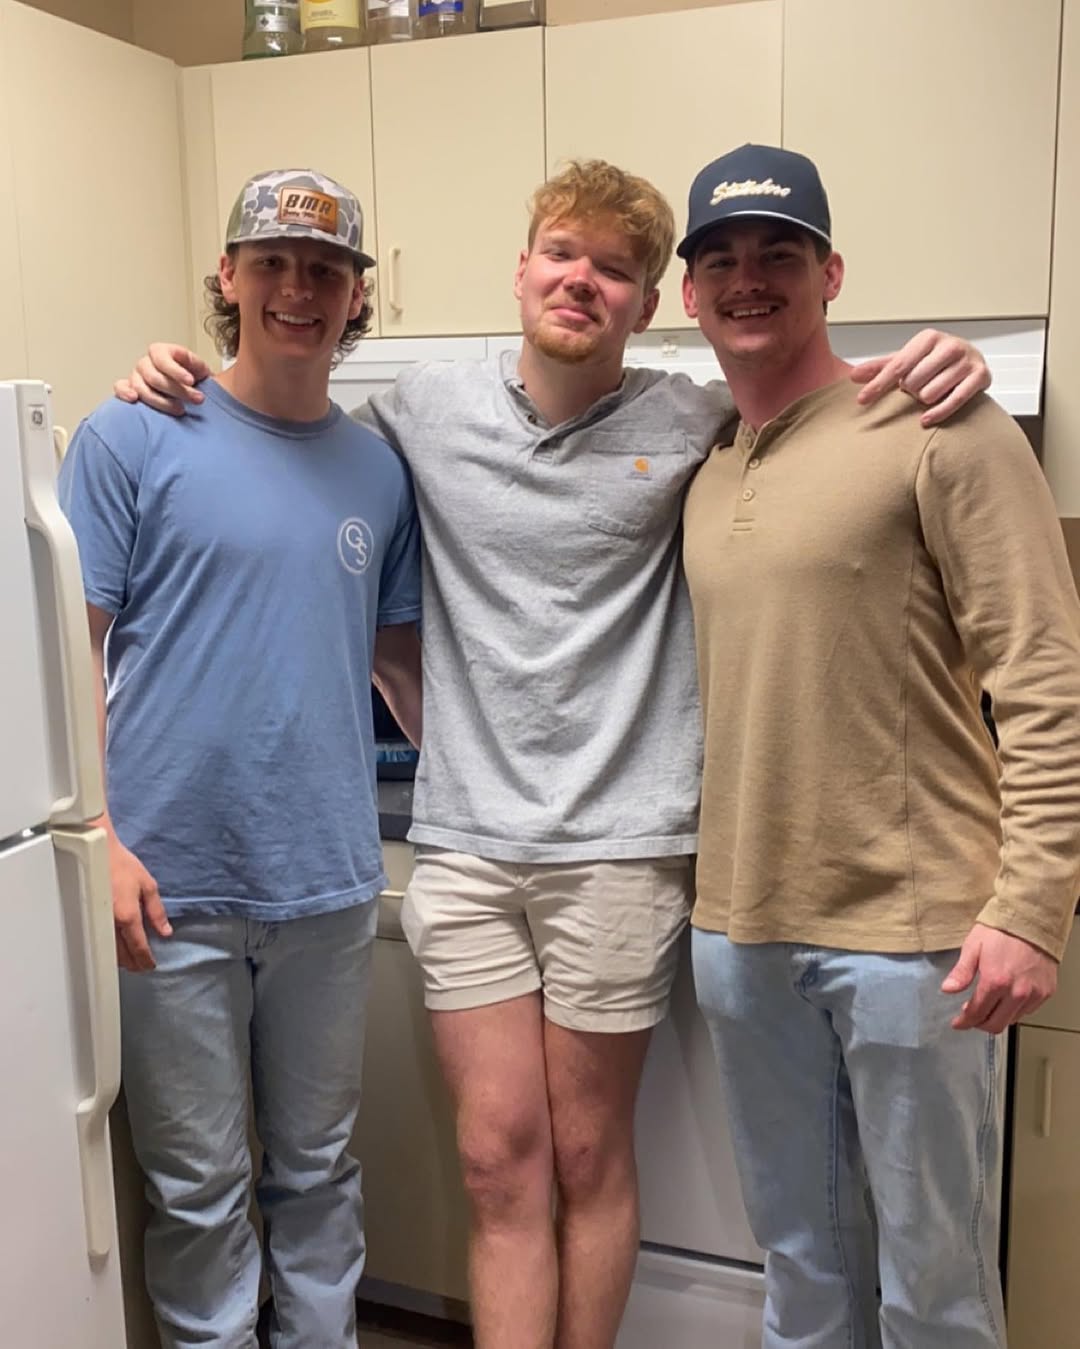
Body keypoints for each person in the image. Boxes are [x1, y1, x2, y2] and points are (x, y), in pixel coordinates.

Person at [113, 159, 989, 1349]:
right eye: (563, 254)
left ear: (653, 302)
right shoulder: (416, 415)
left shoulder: (697, 418)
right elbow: (280, 435)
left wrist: (947, 362)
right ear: (521, 269)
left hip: (623, 849)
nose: (582, 280)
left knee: (587, 1155)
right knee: (496, 1160)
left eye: (615, 269)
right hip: (467, 848)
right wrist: (166, 375)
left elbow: (812, 397)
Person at [679, 142, 1080, 1349]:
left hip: (917, 941)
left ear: (832, 272)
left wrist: (1034, 904)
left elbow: (1042, 669)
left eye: (780, 253)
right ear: (688, 292)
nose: (750, 279)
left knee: (934, 1289)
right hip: (740, 930)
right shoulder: (706, 463)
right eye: (721, 259)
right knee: (799, 1271)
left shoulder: (941, 425)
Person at [59, 168, 422, 1349]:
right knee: (199, 1191)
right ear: (228, 276)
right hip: (167, 889)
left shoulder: (378, 471)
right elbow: (67, 656)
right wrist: (98, 837)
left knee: (318, 1173)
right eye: (271, 263)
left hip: (326, 883)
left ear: (358, 294)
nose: (297, 289)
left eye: (325, 269)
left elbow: (403, 668)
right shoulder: (132, 433)